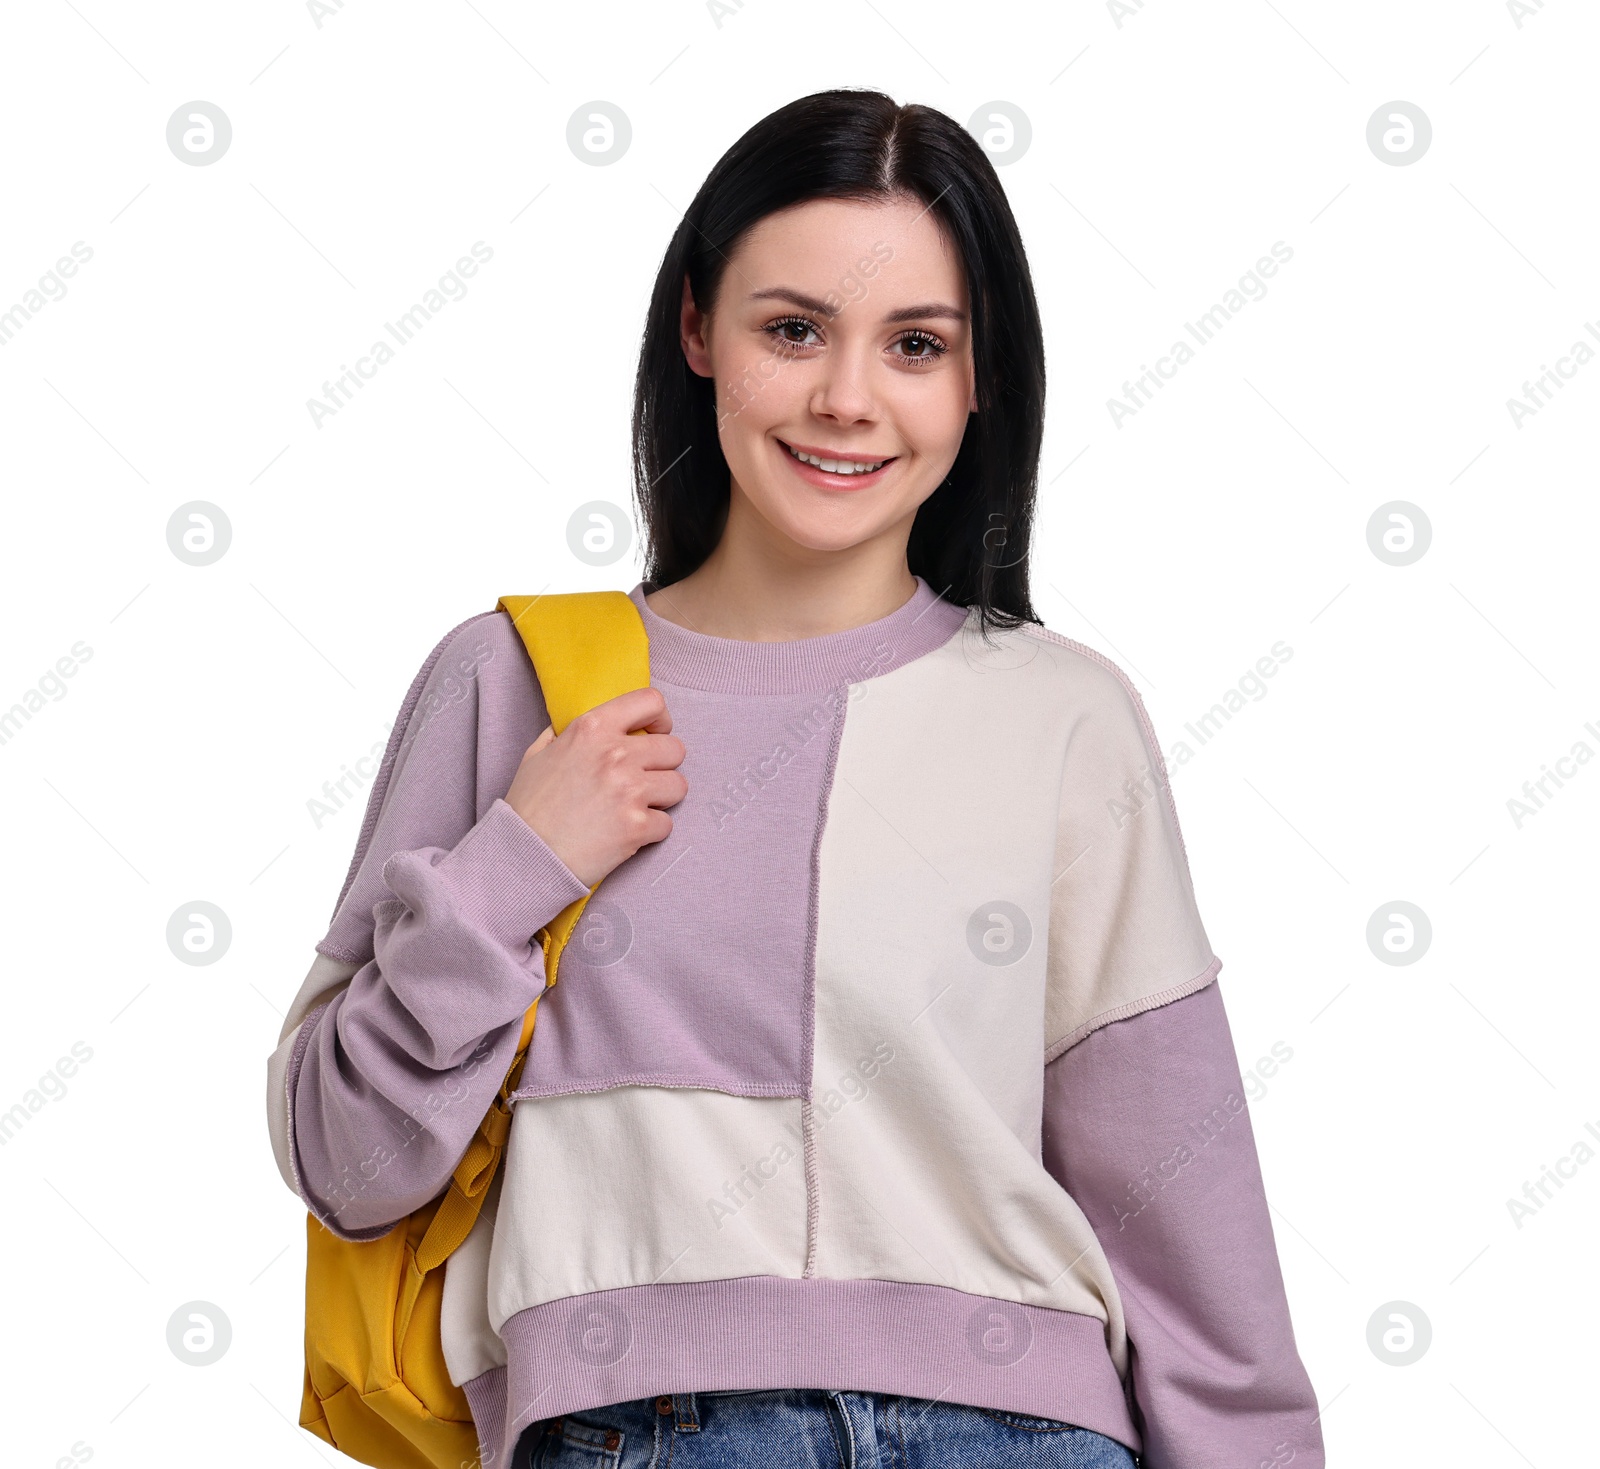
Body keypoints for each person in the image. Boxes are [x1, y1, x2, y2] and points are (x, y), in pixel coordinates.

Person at [267, 89, 1324, 1469]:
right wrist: (517, 864)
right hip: (639, 1433)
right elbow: (348, 1164)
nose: (847, 397)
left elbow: (1189, 1223)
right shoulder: (513, 682)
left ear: (979, 377)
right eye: (793, 328)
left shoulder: (1065, 716)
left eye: (917, 345)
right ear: (699, 329)